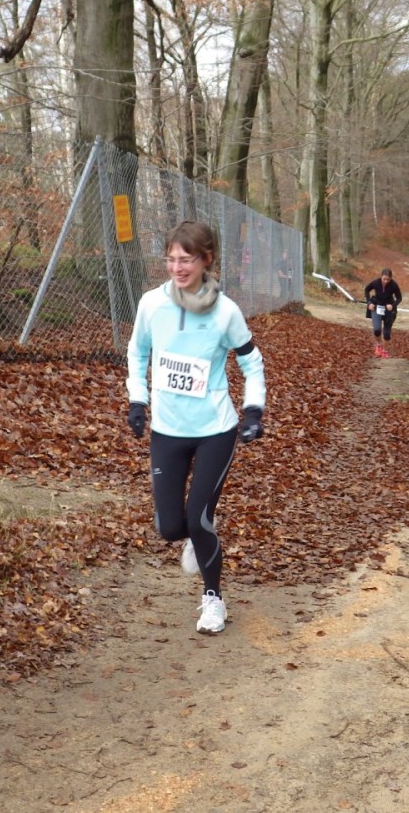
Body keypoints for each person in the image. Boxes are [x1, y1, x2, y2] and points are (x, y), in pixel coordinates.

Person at [126, 220, 267, 635]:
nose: (177, 268)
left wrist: (253, 411)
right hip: (168, 430)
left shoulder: (226, 312)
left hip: (214, 430)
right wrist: (137, 399)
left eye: (186, 260)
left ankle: (213, 599)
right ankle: (194, 533)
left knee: (199, 519)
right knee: (170, 527)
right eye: (171, 259)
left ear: (206, 260)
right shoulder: (152, 304)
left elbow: (251, 362)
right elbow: (137, 352)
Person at [364, 268, 403, 357]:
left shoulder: (393, 285)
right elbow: (366, 290)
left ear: (391, 278)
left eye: (388, 279)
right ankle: (379, 345)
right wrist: (369, 303)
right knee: (377, 330)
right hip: (376, 307)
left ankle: (385, 350)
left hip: (388, 310)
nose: (386, 281)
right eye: (384, 279)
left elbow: (399, 298)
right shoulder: (376, 282)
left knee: (386, 333)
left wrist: (393, 305)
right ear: (381, 276)